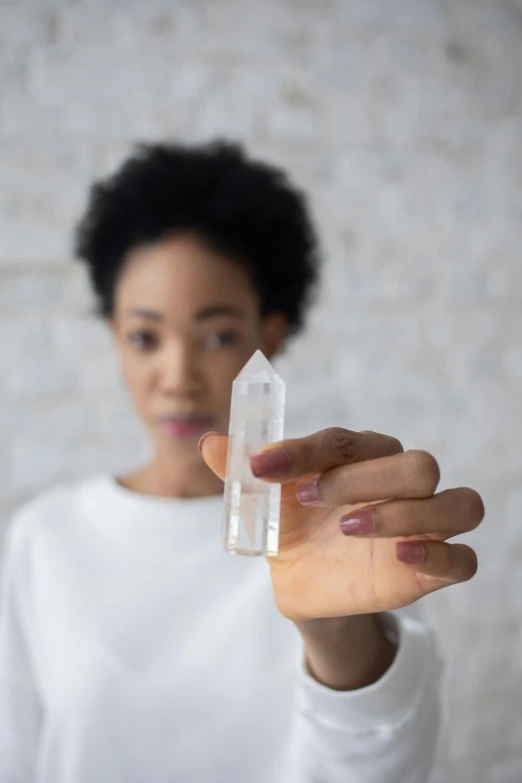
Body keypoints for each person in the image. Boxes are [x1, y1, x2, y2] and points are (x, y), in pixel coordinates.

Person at [0, 141, 484, 783]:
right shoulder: (45, 539)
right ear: (115, 336)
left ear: (272, 333)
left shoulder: (334, 529)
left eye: (218, 335)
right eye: (146, 337)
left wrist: (336, 635)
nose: (178, 378)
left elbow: (381, 769)